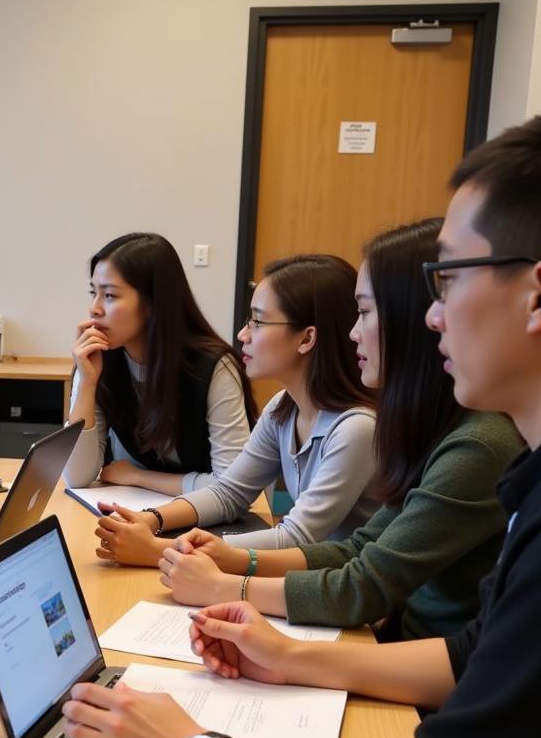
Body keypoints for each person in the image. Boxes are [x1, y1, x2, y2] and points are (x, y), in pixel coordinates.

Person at [60, 116, 541, 738]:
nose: (431, 319)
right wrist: (291, 655)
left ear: (533, 291)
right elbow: (473, 654)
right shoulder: (507, 465)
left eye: (448, 280)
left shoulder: (466, 445)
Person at [157, 218, 522, 639]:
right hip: (394, 639)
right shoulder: (436, 430)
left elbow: (363, 586)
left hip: (413, 659)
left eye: (364, 312)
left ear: (414, 320)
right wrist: (237, 561)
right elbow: (357, 549)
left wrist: (227, 586)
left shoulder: (471, 444)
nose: (352, 333)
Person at [93, 253, 377, 565]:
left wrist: (160, 550)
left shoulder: (356, 428)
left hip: (353, 601)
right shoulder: (283, 408)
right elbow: (229, 493)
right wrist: (150, 519)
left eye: (257, 321)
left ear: (307, 338)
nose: (243, 334)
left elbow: (297, 537)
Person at [63, 232, 256, 496]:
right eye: (93, 293)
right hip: (136, 513)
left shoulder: (213, 367)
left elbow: (232, 485)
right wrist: (86, 383)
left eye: (109, 296)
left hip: (208, 522)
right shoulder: (97, 358)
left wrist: (137, 476)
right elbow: (76, 477)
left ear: (153, 302)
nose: (94, 309)